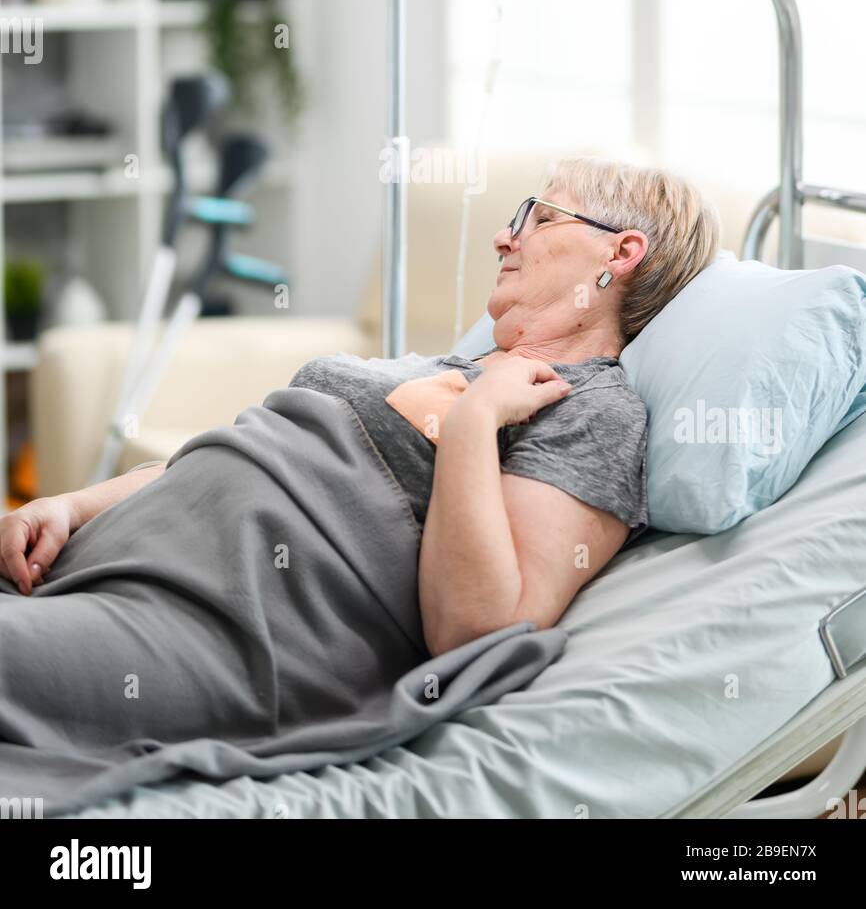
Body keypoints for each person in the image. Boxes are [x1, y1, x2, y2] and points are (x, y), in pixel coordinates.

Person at [0, 155, 719, 656]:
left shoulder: (594, 410)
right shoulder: (452, 366)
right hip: (123, 552)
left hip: (214, 618)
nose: (506, 234)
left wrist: (472, 425)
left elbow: (481, 632)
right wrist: (72, 507)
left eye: (538, 215)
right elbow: (230, 456)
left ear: (620, 254)